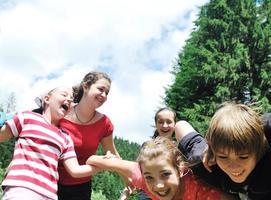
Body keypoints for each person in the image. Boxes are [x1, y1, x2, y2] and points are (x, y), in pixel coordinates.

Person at [0, 87, 99, 200]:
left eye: (71, 99)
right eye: (64, 95)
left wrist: (103, 165)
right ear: (47, 99)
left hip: (50, 195)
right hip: (22, 188)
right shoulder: (27, 118)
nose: (69, 100)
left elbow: (75, 170)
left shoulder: (65, 137)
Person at [86, 136, 236, 200]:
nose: (158, 185)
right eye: (149, 177)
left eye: (165, 174)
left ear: (181, 169)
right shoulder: (141, 175)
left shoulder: (198, 190)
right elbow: (92, 159)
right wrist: (118, 169)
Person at [176, 102, 271, 199]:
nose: (234, 167)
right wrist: (209, 146)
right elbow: (180, 125)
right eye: (223, 157)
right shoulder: (205, 163)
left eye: (243, 157)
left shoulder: (266, 151)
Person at [57, 71, 120, 200]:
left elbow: (111, 152)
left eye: (107, 93)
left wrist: (128, 176)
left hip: (81, 187)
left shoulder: (104, 123)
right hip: (51, 181)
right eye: (101, 89)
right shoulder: (61, 112)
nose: (104, 95)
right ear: (86, 86)